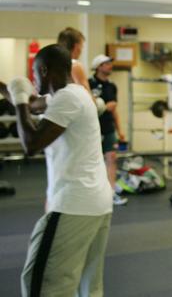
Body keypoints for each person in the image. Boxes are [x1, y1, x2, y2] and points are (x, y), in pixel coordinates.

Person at [0, 44, 113, 297]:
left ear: (44, 69)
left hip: (74, 206)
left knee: (42, 285)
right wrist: (10, 91)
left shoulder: (67, 98)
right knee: (87, 287)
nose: (32, 79)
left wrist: (18, 99)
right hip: (97, 204)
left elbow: (31, 144)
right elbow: (31, 104)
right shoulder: (74, 94)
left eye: (34, 73)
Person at [89, 55, 128, 206]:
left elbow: (114, 111)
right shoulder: (88, 83)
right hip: (92, 128)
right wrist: (104, 106)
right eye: (106, 64)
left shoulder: (112, 86)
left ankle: (111, 192)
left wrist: (120, 130)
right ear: (98, 67)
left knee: (112, 157)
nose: (110, 66)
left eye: (110, 63)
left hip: (108, 127)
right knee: (92, 161)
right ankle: (94, 192)